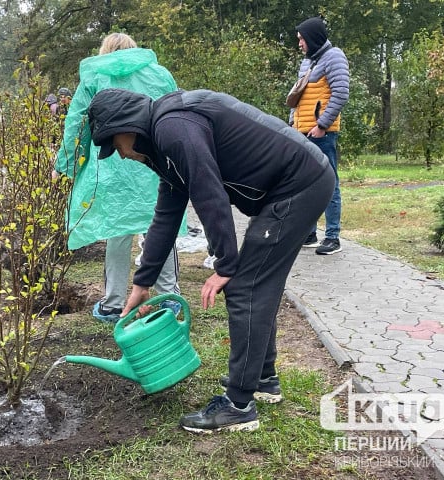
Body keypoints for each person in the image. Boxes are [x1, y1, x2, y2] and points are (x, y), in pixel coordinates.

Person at [87, 88, 335, 433]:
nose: (121, 155)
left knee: (245, 287)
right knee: (255, 285)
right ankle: (262, 378)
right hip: (293, 184)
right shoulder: (165, 142)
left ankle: (238, 405)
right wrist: (142, 282)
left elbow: (209, 192)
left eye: (114, 145)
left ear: (126, 127)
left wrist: (225, 266)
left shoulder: (173, 128)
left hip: (298, 184)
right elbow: (167, 215)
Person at [54, 32, 184, 323]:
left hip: (114, 163)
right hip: (153, 161)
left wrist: (66, 165)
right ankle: (170, 298)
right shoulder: (159, 74)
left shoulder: (94, 77)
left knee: (117, 230)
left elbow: (77, 125)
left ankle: (113, 303)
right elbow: (175, 111)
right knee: (161, 227)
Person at [291, 16, 349, 255]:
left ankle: (332, 236)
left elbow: (341, 93)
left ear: (313, 38)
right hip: (302, 131)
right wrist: (291, 124)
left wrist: (322, 124)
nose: (300, 44)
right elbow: (299, 95)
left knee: (329, 183)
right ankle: (310, 233)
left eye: (302, 39)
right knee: (306, 185)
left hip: (321, 133)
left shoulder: (334, 57)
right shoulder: (307, 62)